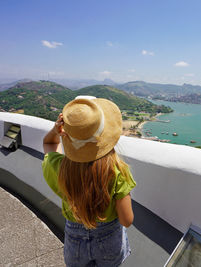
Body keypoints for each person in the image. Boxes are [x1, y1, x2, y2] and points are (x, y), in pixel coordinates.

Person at [42, 96, 136, 267]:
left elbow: (48, 143)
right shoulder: (118, 172)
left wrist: (56, 131)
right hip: (110, 240)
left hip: (74, 239)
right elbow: (126, 220)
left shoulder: (57, 168)